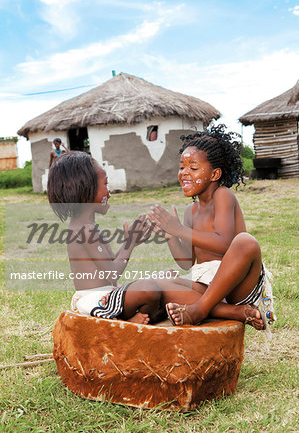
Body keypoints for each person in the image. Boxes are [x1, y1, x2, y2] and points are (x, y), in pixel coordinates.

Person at [148, 124, 276, 330]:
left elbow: (225, 244)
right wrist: (171, 235)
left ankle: (199, 310)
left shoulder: (223, 195)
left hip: (236, 284)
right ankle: (231, 312)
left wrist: (179, 229)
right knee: (161, 280)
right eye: (182, 167)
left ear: (215, 174)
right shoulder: (190, 212)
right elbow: (187, 262)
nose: (184, 173)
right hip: (204, 284)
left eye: (193, 168)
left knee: (246, 241)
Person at [47, 151, 165, 325]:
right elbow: (112, 272)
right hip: (95, 300)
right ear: (86, 191)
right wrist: (130, 243)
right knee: (150, 289)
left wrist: (129, 242)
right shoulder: (84, 231)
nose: (109, 192)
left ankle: (128, 321)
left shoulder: (87, 226)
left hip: (107, 293)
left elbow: (109, 266)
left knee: (165, 279)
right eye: (105, 184)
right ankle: (124, 325)